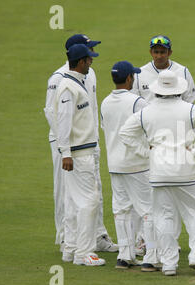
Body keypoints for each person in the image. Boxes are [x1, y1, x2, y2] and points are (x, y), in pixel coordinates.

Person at [120, 70, 195, 276]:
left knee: (163, 217)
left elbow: (125, 134)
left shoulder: (146, 112)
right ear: (178, 89)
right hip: (186, 170)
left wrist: (146, 152)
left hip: (158, 172)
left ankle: (169, 263)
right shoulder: (190, 109)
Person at [43, 34, 117, 253]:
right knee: (67, 191)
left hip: (89, 142)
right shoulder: (58, 79)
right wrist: (66, 148)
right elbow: (52, 113)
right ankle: (67, 238)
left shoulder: (89, 73)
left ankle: (98, 235)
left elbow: (91, 108)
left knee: (94, 190)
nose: (91, 55)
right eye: (88, 50)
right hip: (66, 145)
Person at [131, 35, 195, 250]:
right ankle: (145, 240)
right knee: (148, 192)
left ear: (170, 52)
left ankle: (170, 241)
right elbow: (134, 105)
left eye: (163, 51)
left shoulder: (182, 71)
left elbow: (189, 105)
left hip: (176, 139)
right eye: (155, 51)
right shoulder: (140, 73)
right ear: (151, 52)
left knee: (172, 190)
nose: (159, 55)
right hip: (150, 139)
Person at [100, 61, 161, 270]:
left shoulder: (105, 102)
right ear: (128, 79)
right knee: (148, 211)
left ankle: (125, 255)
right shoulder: (138, 102)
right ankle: (151, 255)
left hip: (115, 165)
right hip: (138, 164)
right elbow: (150, 130)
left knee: (122, 210)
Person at [53, 44, 105, 266]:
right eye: (89, 59)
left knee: (75, 202)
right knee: (89, 201)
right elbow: (62, 121)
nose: (91, 62)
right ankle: (85, 253)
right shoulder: (67, 87)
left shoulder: (74, 83)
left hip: (78, 152)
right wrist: (65, 153)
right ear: (81, 62)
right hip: (78, 153)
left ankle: (71, 249)